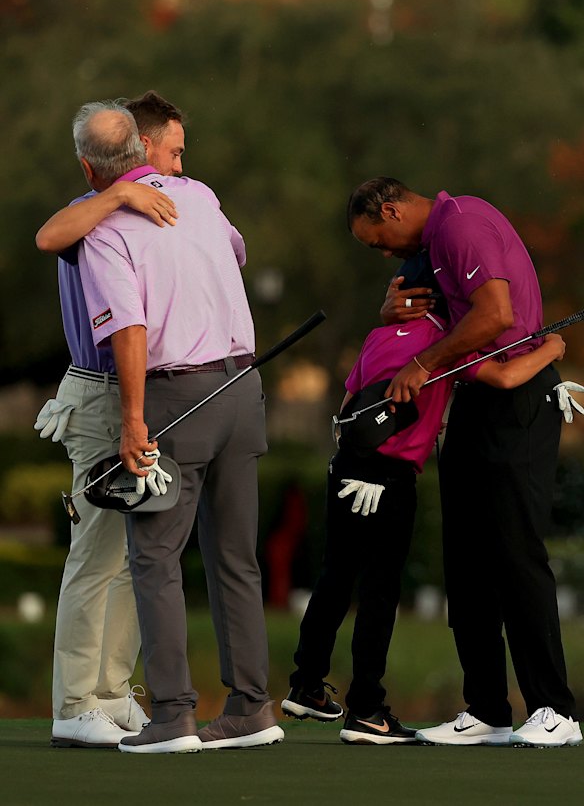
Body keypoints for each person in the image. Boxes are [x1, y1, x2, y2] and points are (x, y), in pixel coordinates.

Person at [281, 250, 567, 745]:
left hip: (345, 471)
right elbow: (504, 376)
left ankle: (305, 684)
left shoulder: (375, 337)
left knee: (335, 577)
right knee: (379, 593)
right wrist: (553, 349)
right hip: (390, 481)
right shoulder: (444, 344)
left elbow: (351, 402)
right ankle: (367, 709)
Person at [73, 100, 284, 754]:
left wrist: (133, 420)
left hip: (177, 398)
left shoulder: (104, 231)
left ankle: (172, 716)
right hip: (243, 389)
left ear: (93, 166)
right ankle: (251, 708)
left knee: (156, 561)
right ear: (148, 147)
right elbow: (234, 255)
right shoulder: (199, 194)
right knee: (235, 561)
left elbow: (129, 328)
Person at [347, 177, 581, 748]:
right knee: (468, 559)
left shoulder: (462, 225)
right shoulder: (430, 247)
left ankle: (554, 709)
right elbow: (412, 317)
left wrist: (423, 364)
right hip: (476, 402)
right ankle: (487, 710)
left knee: (515, 554)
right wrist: (388, 307)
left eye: (377, 239)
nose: (382, 252)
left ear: (393, 209)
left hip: (519, 402)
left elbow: (495, 316)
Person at [34, 92, 185, 748]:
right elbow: (49, 237)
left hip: (144, 394)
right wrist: (121, 198)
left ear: (87, 164)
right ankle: (74, 704)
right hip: (99, 397)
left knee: (132, 556)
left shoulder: (151, 203)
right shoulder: (90, 213)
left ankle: (112, 691)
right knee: (96, 553)